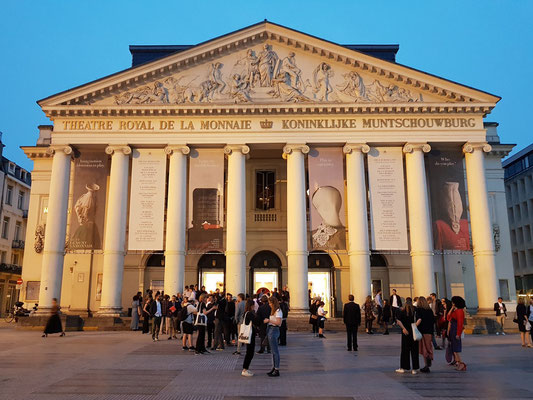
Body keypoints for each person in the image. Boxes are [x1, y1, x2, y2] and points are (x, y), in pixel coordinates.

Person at [395, 297, 420, 374]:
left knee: (405, 350)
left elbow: (398, 321)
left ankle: (403, 367)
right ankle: (414, 369)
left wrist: (403, 328)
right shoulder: (415, 310)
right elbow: (419, 319)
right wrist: (414, 326)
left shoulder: (403, 311)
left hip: (406, 332)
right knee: (414, 350)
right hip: (413, 332)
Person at [447, 296, 466, 371]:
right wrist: (452, 308)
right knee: (454, 348)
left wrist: (458, 333)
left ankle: (461, 363)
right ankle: (459, 363)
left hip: (455, 329)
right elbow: (448, 317)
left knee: (455, 348)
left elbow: (460, 323)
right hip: (453, 329)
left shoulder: (459, 311)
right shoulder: (457, 310)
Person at [265, 296, 282, 377]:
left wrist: (269, 320)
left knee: (275, 351)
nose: (269, 305)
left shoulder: (278, 311)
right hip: (271, 329)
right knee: (273, 351)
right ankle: (274, 367)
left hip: (274, 329)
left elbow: (278, 322)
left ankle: (277, 369)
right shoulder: (273, 311)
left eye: (270, 303)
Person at [416, 297, 435, 373]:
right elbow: (433, 320)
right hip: (429, 331)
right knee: (428, 346)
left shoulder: (419, 310)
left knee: (423, 348)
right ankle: (429, 358)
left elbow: (418, 319)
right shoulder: (429, 310)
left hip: (422, 331)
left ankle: (426, 364)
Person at [241, 299, 258, 377]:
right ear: (251, 306)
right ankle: (245, 369)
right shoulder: (250, 314)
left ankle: (245, 368)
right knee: (250, 352)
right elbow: (256, 321)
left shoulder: (246, 313)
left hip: (249, 335)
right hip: (250, 335)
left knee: (249, 352)